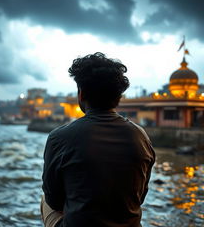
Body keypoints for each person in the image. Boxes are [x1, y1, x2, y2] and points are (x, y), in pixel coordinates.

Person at [41, 52, 155, 227]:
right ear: (118, 97)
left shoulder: (59, 137)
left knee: (45, 200)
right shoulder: (141, 136)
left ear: (81, 94)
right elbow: (139, 197)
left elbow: (54, 200)